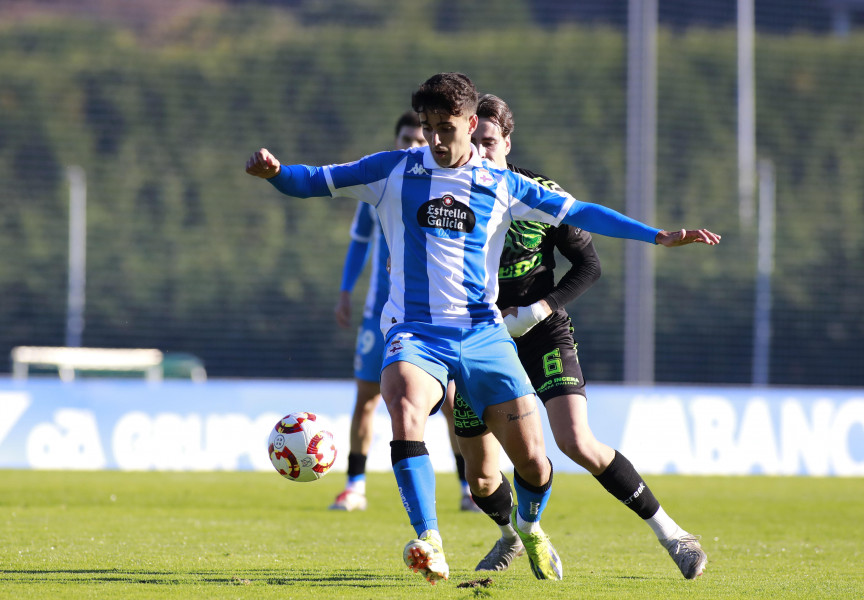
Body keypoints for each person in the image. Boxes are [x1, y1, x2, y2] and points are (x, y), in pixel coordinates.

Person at [245, 72, 719, 585]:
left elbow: (581, 213)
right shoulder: (391, 171)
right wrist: (275, 173)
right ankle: (430, 541)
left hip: (484, 335)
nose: (435, 139)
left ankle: (529, 528)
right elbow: (311, 180)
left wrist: (655, 236)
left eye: (446, 127)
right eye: (427, 127)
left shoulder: (505, 185)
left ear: (471, 124)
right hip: (415, 330)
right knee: (406, 407)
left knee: (535, 464)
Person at [454, 93, 708, 580]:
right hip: (482, 339)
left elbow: (589, 264)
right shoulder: (453, 194)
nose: (482, 153)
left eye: (490, 142)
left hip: (541, 332)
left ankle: (673, 535)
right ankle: (513, 536)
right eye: (476, 142)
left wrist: (537, 309)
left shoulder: (534, 192)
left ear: (507, 140)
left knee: (575, 440)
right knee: (481, 477)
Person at [330, 111, 479, 513]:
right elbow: (360, 244)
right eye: (407, 139)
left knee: (450, 402)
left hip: (428, 315)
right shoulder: (380, 186)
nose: (415, 145)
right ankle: (354, 485)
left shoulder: (444, 185)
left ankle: (467, 487)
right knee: (366, 397)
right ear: (396, 141)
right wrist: (346, 290)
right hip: (378, 309)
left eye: (420, 138)